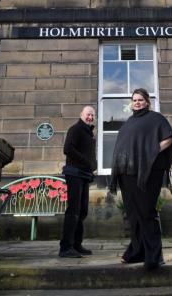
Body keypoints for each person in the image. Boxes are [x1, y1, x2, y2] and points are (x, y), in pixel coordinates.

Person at [108, 88, 172, 271]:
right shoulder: (129, 123)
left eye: (140, 99)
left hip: (148, 174)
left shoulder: (156, 119)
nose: (137, 102)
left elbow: (171, 137)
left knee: (147, 213)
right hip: (127, 175)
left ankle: (155, 257)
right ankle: (137, 252)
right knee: (133, 215)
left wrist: (152, 150)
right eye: (134, 100)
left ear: (147, 101)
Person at [59, 105, 96, 258]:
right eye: (88, 114)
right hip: (74, 173)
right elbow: (67, 149)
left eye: (93, 115)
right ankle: (65, 248)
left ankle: (76, 244)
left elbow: (87, 154)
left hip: (84, 175)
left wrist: (92, 165)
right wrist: (86, 161)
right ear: (81, 114)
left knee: (82, 211)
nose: (90, 117)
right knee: (73, 211)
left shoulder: (88, 133)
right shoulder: (75, 129)